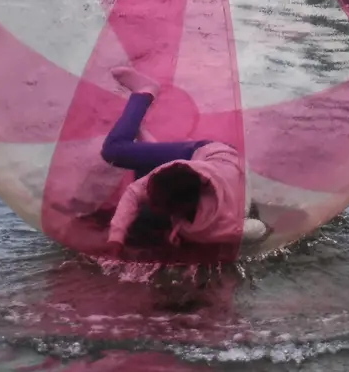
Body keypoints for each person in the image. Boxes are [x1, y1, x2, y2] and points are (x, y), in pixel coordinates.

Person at [102, 67, 269, 251]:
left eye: (157, 201)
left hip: (220, 171)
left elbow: (259, 229)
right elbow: (134, 192)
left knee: (143, 219)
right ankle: (144, 93)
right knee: (113, 151)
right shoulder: (178, 172)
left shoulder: (226, 226)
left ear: (183, 207)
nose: (149, 198)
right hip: (209, 153)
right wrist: (115, 237)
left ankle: (142, 137)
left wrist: (252, 231)